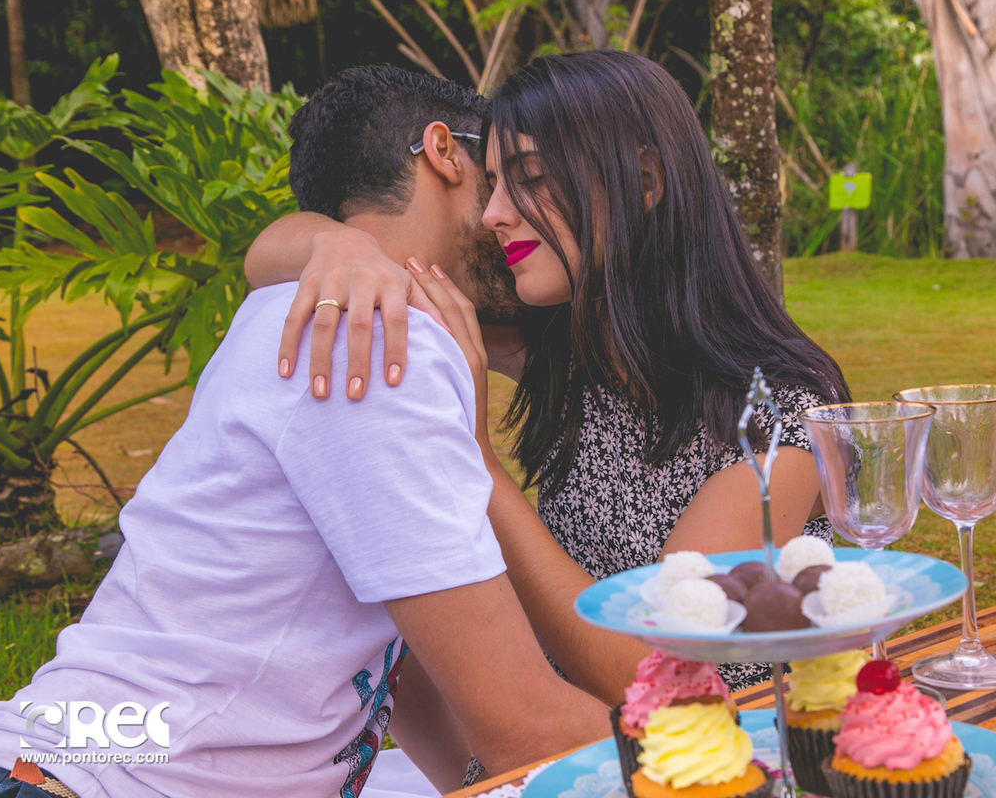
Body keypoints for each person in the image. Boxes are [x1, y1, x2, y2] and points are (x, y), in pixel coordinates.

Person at [0, 65, 608, 798]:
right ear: (444, 151)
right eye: (499, 178)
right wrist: (743, 744)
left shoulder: (295, 307)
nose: (508, 213)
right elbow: (525, 729)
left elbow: (400, 678)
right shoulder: (379, 340)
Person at [246, 51, 851, 704]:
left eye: (527, 176)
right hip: (574, 747)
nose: (491, 214)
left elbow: (648, 671)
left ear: (645, 181)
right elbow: (264, 257)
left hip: (720, 756)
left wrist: (476, 458)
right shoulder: (573, 351)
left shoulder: (783, 423)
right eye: (494, 182)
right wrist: (339, 247)